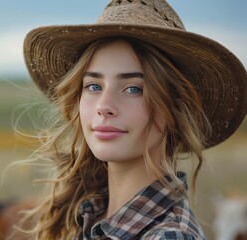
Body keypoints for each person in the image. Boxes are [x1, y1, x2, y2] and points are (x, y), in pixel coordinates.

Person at [19, 0, 247, 239]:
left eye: (133, 89)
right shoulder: (87, 217)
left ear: (174, 109)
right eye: (94, 86)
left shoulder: (168, 236)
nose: (104, 106)